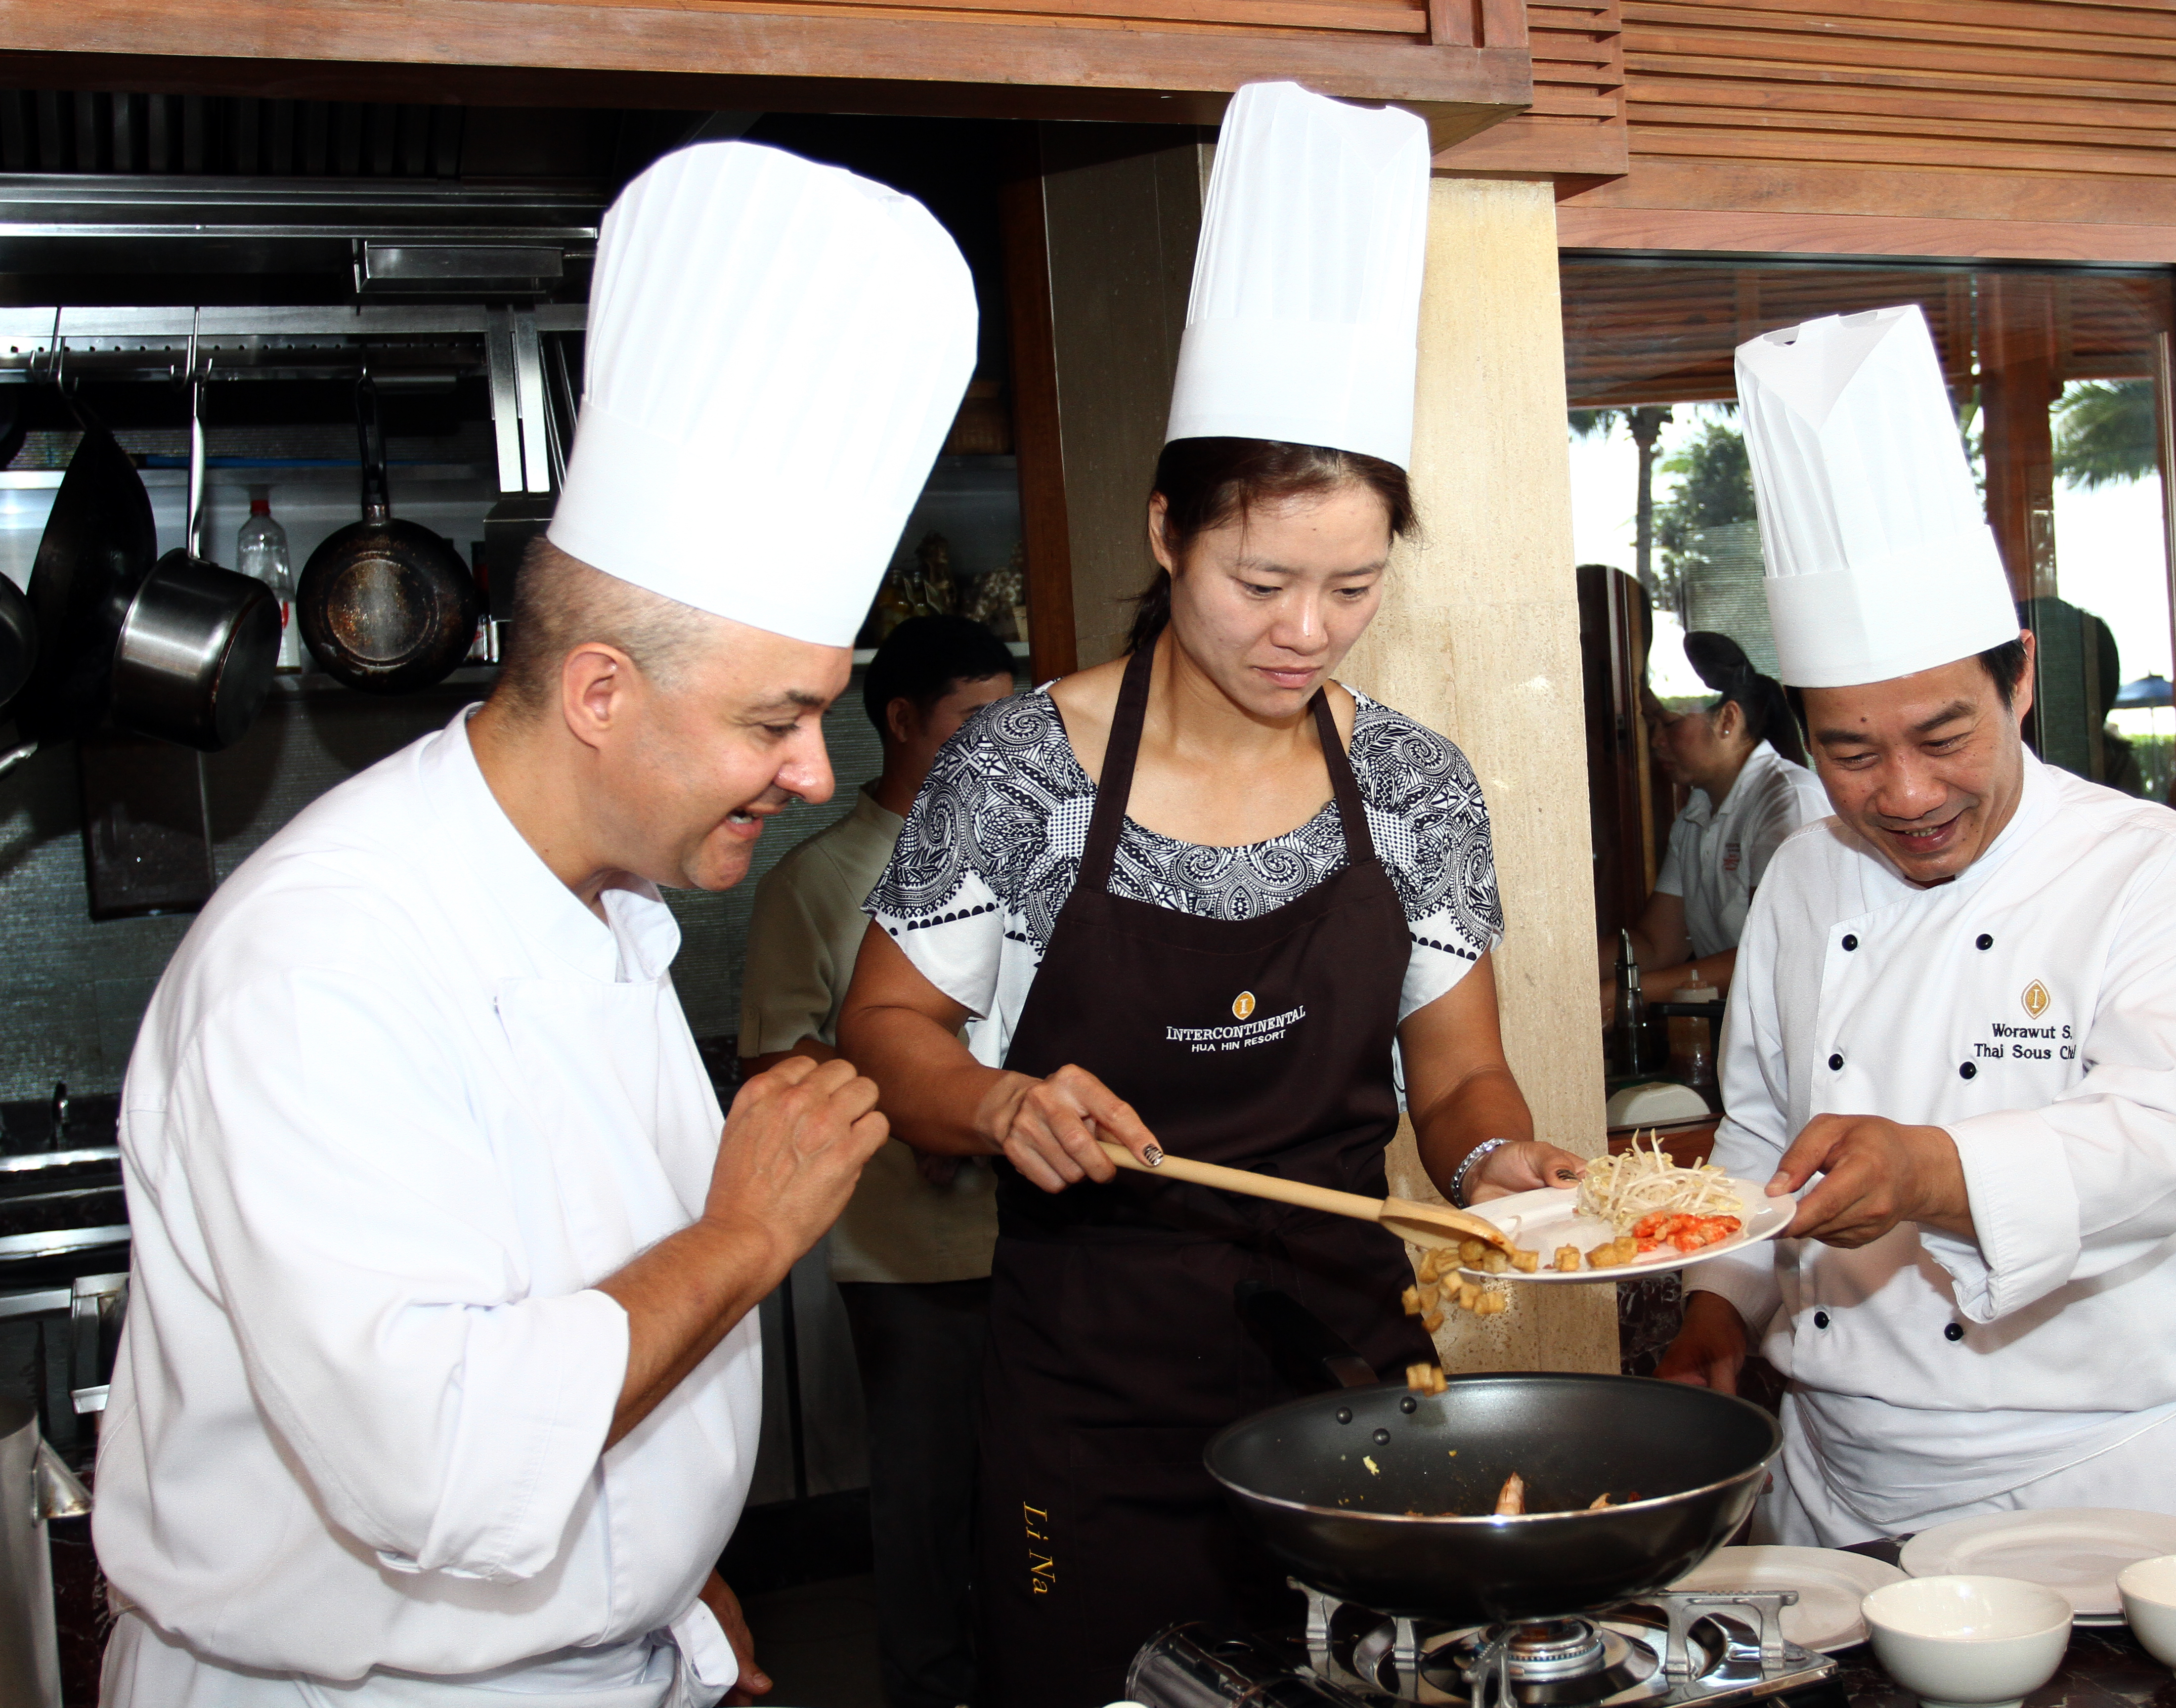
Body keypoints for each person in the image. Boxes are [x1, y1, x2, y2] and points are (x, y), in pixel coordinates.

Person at [91, 140, 979, 1707]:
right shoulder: (327, 961)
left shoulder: (603, 911)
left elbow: (562, 1326)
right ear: (600, 693)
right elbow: (438, 1461)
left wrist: (659, 1563)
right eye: (774, 719)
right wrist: (747, 1233)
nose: (809, 771)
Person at [834, 82, 1586, 1708]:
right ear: (1166, 531)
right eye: (1262, 581)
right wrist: (996, 1100)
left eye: (1353, 586)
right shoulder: (1018, 772)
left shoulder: (1416, 785)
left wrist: (1495, 1164)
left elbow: (1459, 1073)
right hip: (1089, 1404)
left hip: (1348, 1381)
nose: (1305, 630)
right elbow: (884, 1030)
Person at [1654, 304, 2176, 1545]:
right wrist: (1717, 1310)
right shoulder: (1802, 875)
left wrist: (1928, 1170)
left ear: (2019, 676)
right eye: (1850, 752)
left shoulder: (2150, 868)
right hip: (1828, 1482)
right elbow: (1759, 1135)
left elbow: (2168, 1139)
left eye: (1944, 737)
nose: (1906, 795)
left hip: (2082, 1484)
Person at [736, 612, 1014, 1708]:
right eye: (972, 723)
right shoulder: (815, 881)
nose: (999, 747)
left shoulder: (1029, 853)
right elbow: (777, 1053)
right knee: (926, 1504)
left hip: (1043, 1231)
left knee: (1034, 1497)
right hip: (909, 1253)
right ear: (901, 721)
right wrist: (913, 1111)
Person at [1609, 631, 1827, 1003]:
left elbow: (1778, 950)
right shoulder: (1694, 817)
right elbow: (1657, 945)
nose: (1656, 740)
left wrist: (1622, 995)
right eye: (1650, 724)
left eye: (1670, 723)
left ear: (1727, 718)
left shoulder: (1788, 801)